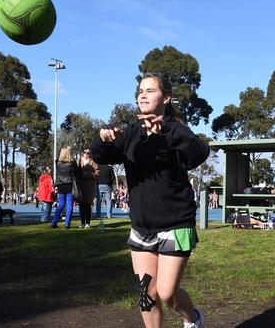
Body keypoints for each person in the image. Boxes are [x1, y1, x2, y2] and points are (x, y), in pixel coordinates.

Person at [91, 73, 209, 328]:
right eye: (140, 91)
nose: (142, 95)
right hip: (142, 227)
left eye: (150, 90)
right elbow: (99, 155)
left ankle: (194, 318)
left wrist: (166, 128)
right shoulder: (130, 133)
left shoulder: (176, 129)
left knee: (167, 293)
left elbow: (199, 152)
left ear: (166, 97)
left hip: (175, 224)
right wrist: (103, 137)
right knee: (146, 294)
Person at [52, 146, 81, 229]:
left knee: (60, 205)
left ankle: (54, 222)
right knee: (69, 205)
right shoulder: (72, 163)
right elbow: (77, 172)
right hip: (69, 185)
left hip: (61, 185)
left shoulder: (57, 162)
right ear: (68, 153)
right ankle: (67, 223)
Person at [78, 148, 99, 228]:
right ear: (83, 153)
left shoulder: (93, 162)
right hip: (80, 186)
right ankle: (82, 223)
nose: (86, 154)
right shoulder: (79, 161)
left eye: (88, 153)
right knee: (81, 205)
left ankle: (88, 223)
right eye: (85, 152)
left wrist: (90, 174)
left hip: (90, 187)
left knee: (88, 205)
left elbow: (97, 173)